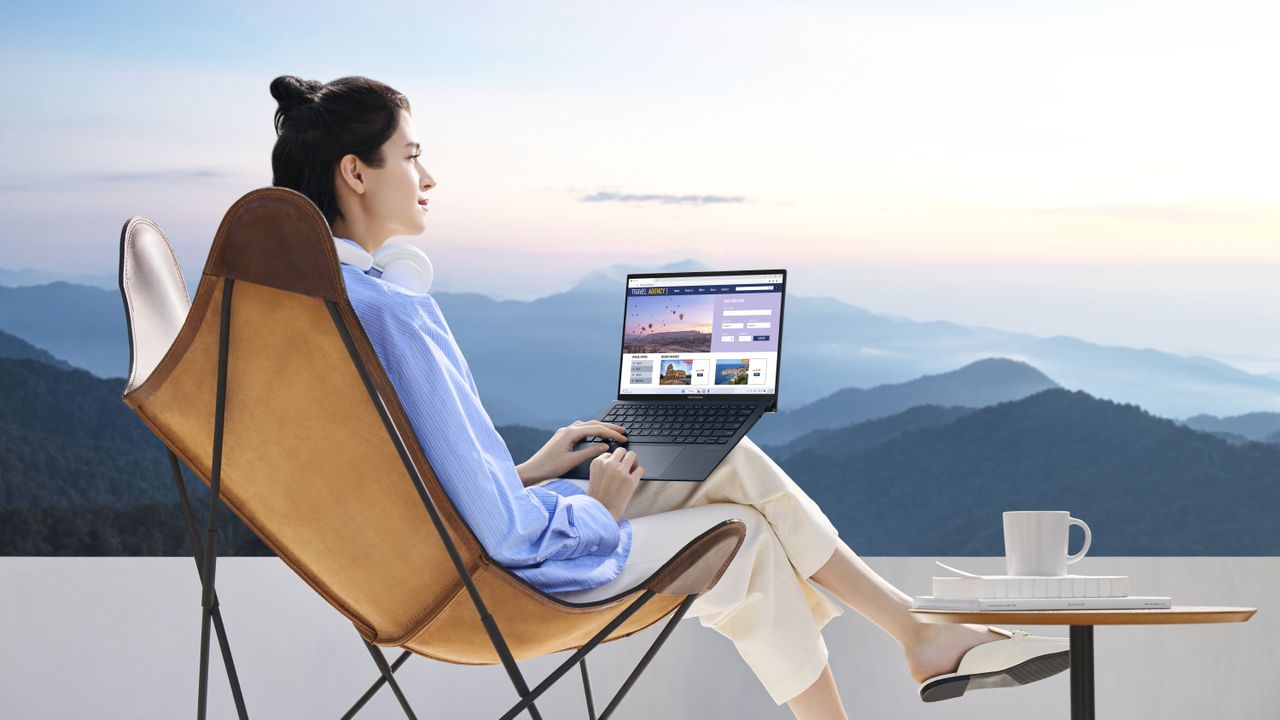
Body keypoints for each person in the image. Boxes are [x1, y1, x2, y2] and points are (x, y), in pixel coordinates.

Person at [269, 74, 1068, 719]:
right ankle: (914, 632)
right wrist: (598, 509)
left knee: (719, 456)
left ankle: (910, 636)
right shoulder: (393, 311)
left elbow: (419, 493)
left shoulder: (325, 307)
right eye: (412, 155)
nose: (429, 175)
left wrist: (536, 469)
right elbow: (504, 540)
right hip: (509, 571)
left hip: (442, 560)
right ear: (356, 173)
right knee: (738, 512)